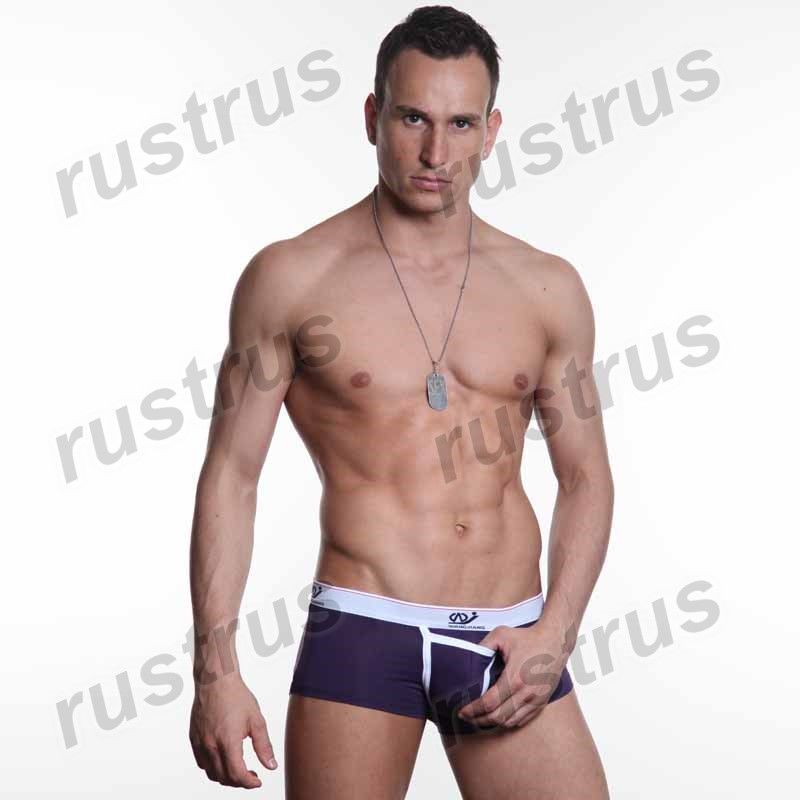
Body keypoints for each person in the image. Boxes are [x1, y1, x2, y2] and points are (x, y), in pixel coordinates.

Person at [188, 5, 613, 798]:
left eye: (460, 124)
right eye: (413, 117)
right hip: (362, 628)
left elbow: (585, 476)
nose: (435, 153)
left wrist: (556, 632)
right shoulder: (291, 279)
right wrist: (215, 672)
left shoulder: (547, 289)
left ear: (491, 131)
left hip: (507, 637)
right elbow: (232, 475)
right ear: (372, 117)